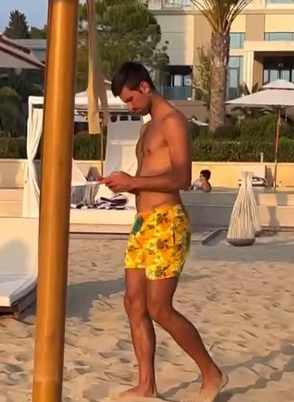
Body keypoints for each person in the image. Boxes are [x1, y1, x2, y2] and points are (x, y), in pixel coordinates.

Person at [98, 62, 225, 401]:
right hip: (143, 223)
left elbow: (182, 177)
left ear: (144, 87)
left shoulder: (172, 121)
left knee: (159, 307)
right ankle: (147, 385)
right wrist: (124, 184)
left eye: (130, 99)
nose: (129, 107)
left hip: (168, 222)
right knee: (133, 303)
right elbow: (148, 176)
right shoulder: (147, 128)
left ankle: (211, 372)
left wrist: (133, 182)